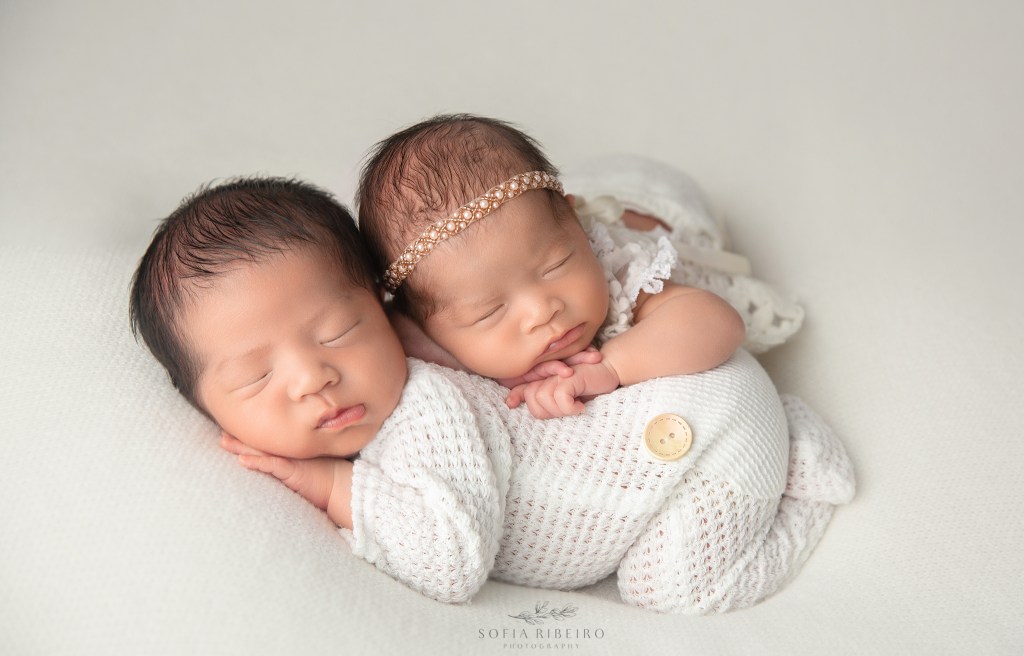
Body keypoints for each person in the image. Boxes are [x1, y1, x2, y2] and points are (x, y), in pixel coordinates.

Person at [129, 176, 854, 613]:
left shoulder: (424, 410)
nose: (311, 377)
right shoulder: (437, 356)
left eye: (340, 330)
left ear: (387, 312)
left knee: (671, 590)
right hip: (680, 412)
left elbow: (450, 560)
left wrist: (332, 487)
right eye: (256, 377)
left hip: (704, 432)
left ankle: (800, 481)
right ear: (204, 404)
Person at [356, 114, 748, 418]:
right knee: (523, 232)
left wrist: (611, 367)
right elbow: (395, 332)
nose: (542, 311)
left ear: (579, 228)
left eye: (556, 266)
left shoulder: (622, 270)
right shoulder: (421, 324)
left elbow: (717, 322)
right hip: (531, 222)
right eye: (490, 311)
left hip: (660, 204)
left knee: (538, 223)